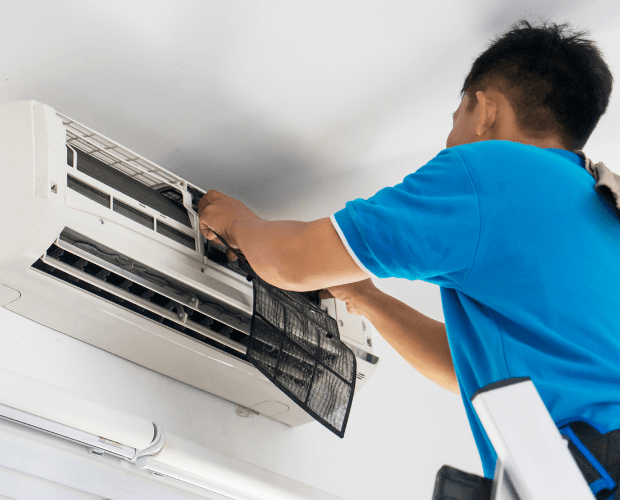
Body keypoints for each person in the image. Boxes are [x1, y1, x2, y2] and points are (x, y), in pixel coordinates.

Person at [197, 20, 620, 488]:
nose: (451, 139)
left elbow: (290, 262)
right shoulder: (600, 211)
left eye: (456, 118)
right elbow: (467, 370)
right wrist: (366, 297)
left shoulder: (490, 171)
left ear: (485, 110)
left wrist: (238, 222)